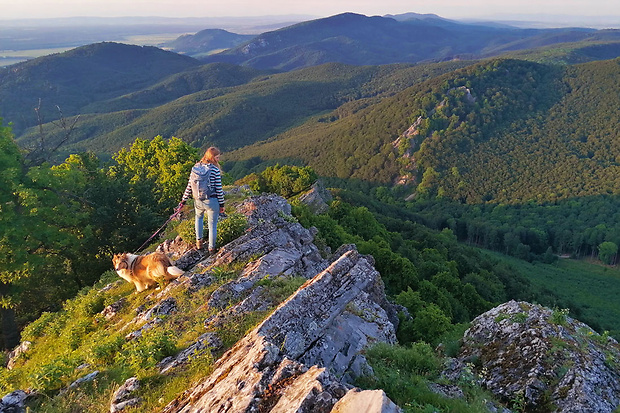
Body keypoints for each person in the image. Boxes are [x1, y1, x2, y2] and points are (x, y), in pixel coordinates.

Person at [178, 147, 225, 253]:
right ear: (212, 157)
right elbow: (219, 189)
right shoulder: (215, 170)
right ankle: (211, 248)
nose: (218, 159)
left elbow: (189, 185)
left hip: (198, 200)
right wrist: (221, 204)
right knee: (212, 224)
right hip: (212, 201)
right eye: (216, 157)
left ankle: (199, 244)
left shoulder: (195, 168)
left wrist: (183, 200)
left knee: (198, 219)